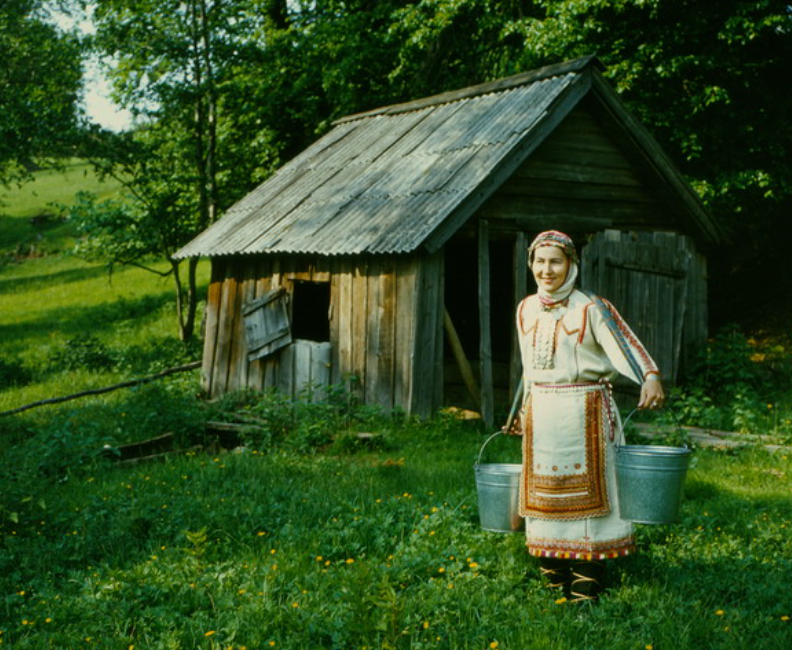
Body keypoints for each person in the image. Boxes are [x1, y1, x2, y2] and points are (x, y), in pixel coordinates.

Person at [510, 230, 664, 603]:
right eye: (540, 261)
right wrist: (518, 409)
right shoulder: (525, 309)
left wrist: (650, 376)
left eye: (556, 261)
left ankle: (585, 588)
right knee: (545, 500)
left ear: (572, 264)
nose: (547, 270)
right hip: (543, 414)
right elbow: (529, 368)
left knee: (592, 505)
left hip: (586, 413)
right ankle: (555, 581)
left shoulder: (591, 307)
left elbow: (623, 344)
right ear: (531, 264)